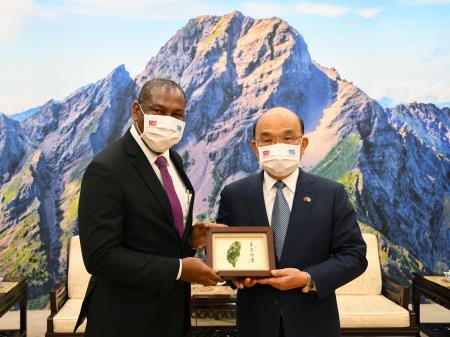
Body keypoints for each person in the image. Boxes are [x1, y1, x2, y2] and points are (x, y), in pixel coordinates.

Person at [74, 78, 223, 337]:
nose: (168, 120)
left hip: (172, 315)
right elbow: (100, 256)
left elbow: (154, 228)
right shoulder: (107, 169)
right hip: (126, 318)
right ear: (136, 111)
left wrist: (189, 237)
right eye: (158, 111)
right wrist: (178, 269)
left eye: (177, 114)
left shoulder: (171, 158)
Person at [216, 107, 368, 337]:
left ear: (303, 144)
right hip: (256, 323)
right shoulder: (234, 195)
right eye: (267, 139)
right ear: (255, 148)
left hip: (314, 323)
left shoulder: (331, 194)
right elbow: (226, 255)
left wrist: (308, 278)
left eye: (288, 138)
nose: (277, 145)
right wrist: (234, 276)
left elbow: (354, 256)